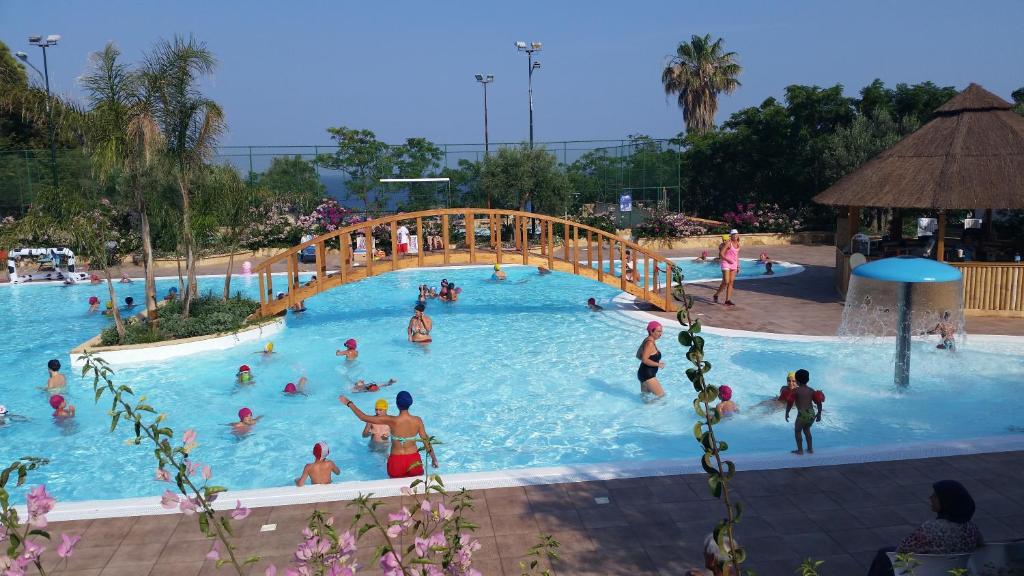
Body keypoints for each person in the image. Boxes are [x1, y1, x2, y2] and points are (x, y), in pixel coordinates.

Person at [866, 480, 983, 576]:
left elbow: (901, 550)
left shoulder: (930, 529)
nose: (930, 498)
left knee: (884, 555)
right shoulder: (972, 529)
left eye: (936, 496)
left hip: (925, 571)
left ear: (947, 501)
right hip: (954, 571)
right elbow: (980, 548)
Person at [338, 391, 438, 478]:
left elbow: (363, 417)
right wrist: (434, 458)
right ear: (410, 403)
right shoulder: (417, 421)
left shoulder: (391, 420)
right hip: (413, 459)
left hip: (396, 460)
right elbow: (426, 441)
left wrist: (349, 403)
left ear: (397, 404)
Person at [785, 369, 823, 455]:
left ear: (797, 381)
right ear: (807, 380)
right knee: (807, 430)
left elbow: (790, 403)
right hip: (811, 413)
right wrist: (819, 413)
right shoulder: (811, 390)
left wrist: (787, 412)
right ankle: (810, 449)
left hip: (802, 414)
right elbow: (819, 402)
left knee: (797, 431)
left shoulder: (795, 391)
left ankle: (800, 450)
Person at [636, 321, 666, 398]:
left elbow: (641, 356)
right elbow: (644, 360)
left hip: (643, 373)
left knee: (646, 400)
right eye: (658, 331)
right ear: (651, 331)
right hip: (647, 375)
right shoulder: (649, 343)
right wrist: (658, 364)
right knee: (661, 396)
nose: (660, 334)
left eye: (661, 331)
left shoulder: (649, 340)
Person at [713, 230, 741, 306]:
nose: (735, 236)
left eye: (736, 234)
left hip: (734, 264)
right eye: (733, 234)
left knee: (731, 282)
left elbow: (737, 255)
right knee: (726, 281)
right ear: (731, 235)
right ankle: (716, 294)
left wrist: (738, 265)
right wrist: (728, 260)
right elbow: (721, 253)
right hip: (726, 263)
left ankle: (727, 300)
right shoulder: (728, 243)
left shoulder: (738, 244)